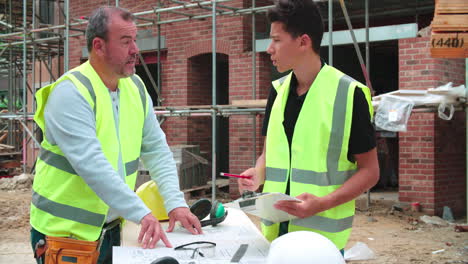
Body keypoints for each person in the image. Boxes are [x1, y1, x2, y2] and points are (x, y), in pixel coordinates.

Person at [30, 6, 202, 264]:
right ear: (98, 46)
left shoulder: (135, 87)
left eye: (134, 40)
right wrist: (142, 213)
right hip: (66, 235)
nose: (135, 49)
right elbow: (92, 166)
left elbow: (156, 149)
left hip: (110, 229)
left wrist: (175, 203)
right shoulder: (71, 93)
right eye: (125, 42)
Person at [238, 0, 379, 253]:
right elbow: (269, 152)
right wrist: (258, 173)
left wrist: (322, 203)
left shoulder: (349, 94)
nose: (269, 49)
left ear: (304, 42)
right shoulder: (277, 90)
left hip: (320, 242)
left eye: (277, 40)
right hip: (274, 233)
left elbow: (370, 171)